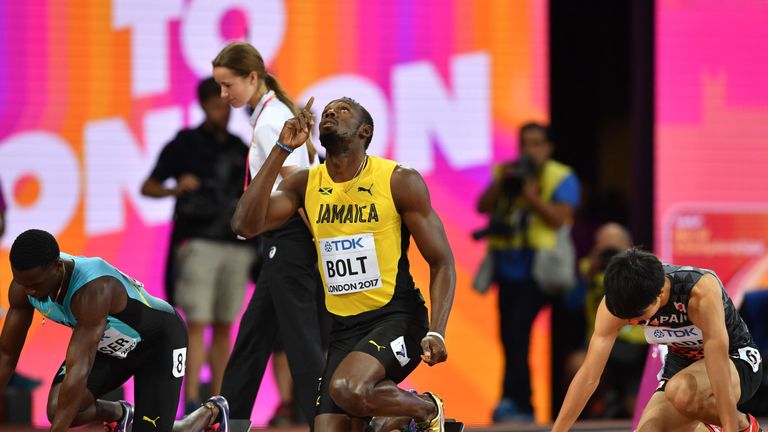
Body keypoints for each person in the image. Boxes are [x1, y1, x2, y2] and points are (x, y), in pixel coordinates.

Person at [230, 95, 455, 432]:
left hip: (397, 318)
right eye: (328, 111)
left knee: (347, 388)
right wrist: (281, 149)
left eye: (343, 110)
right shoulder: (306, 184)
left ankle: (425, 409)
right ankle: (388, 420)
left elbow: (442, 262)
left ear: (365, 131)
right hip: (344, 330)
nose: (331, 112)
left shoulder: (397, 180)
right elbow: (245, 226)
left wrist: (437, 330)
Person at [0, 229, 230, 432]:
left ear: (57, 267)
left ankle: (209, 413)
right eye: (22, 283)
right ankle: (121, 414)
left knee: (151, 428)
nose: (29, 291)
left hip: (159, 343)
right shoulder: (24, 287)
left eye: (36, 285)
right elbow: (6, 355)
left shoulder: (93, 289)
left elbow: (79, 367)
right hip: (110, 347)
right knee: (57, 408)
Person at [211, 41, 327, 425]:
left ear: (253, 77)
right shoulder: (270, 114)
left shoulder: (273, 119)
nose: (224, 94)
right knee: (253, 337)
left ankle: (326, 421)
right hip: (283, 239)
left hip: (292, 238)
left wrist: (321, 242)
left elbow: (299, 182)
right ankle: (231, 418)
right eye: (220, 86)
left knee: (302, 341)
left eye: (229, 85)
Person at [552, 248, 764, 432]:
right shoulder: (618, 303)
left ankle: (745, 426)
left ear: (660, 293)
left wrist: (731, 427)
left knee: (680, 391)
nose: (632, 320)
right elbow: (589, 375)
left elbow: (717, 363)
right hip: (681, 368)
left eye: (639, 315)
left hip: (735, 360)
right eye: (628, 316)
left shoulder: (700, 291)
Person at [141, 77, 254, 412]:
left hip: (235, 243)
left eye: (226, 104)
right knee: (198, 321)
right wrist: (176, 188)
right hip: (199, 242)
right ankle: (190, 399)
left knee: (224, 323)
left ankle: (217, 401)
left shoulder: (238, 147)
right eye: (218, 104)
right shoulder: (185, 143)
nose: (224, 111)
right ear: (204, 105)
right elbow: (149, 186)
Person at [475, 122, 580, 422]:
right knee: (509, 336)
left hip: (539, 272)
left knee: (518, 333)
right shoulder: (506, 172)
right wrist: (503, 182)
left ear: (549, 148)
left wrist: (530, 196)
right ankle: (515, 401)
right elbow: (482, 206)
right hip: (508, 270)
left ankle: (520, 404)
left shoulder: (561, 176)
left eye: (537, 143)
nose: (530, 150)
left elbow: (560, 219)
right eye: (525, 143)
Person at [564, 222, 646, 419]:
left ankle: (623, 399)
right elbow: (570, 304)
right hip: (601, 344)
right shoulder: (589, 269)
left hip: (637, 349)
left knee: (636, 409)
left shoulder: (645, 269)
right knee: (576, 364)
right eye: (604, 248)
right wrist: (589, 276)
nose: (611, 255)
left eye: (614, 248)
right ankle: (585, 417)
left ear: (629, 246)